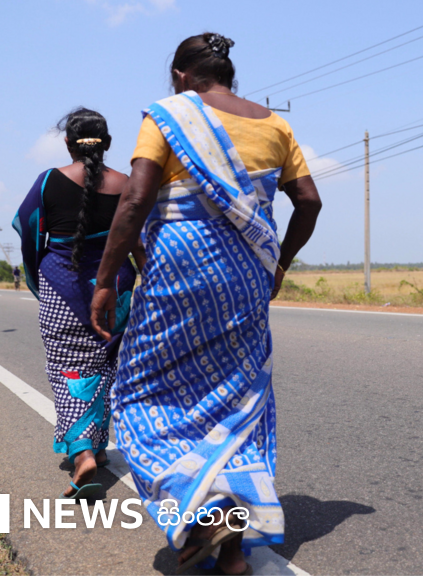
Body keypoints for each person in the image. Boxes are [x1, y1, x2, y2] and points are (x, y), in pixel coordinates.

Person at [89, 33, 322, 575]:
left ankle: (198, 507)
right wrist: (280, 263)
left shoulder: (168, 114)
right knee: (237, 397)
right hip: (247, 272)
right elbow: (308, 201)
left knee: (144, 393)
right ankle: (233, 545)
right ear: (227, 72)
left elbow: (136, 198)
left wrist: (105, 279)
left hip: (180, 264)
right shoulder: (275, 124)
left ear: (180, 75)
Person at [13, 108, 139, 500]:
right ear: (108, 143)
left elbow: (29, 234)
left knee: (67, 369)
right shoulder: (127, 184)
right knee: (105, 365)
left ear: (68, 143)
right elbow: (140, 241)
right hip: (116, 288)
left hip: (60, 285)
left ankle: (82, 450)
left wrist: (38, 277)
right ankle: (98, 445)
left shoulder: (48, 181)